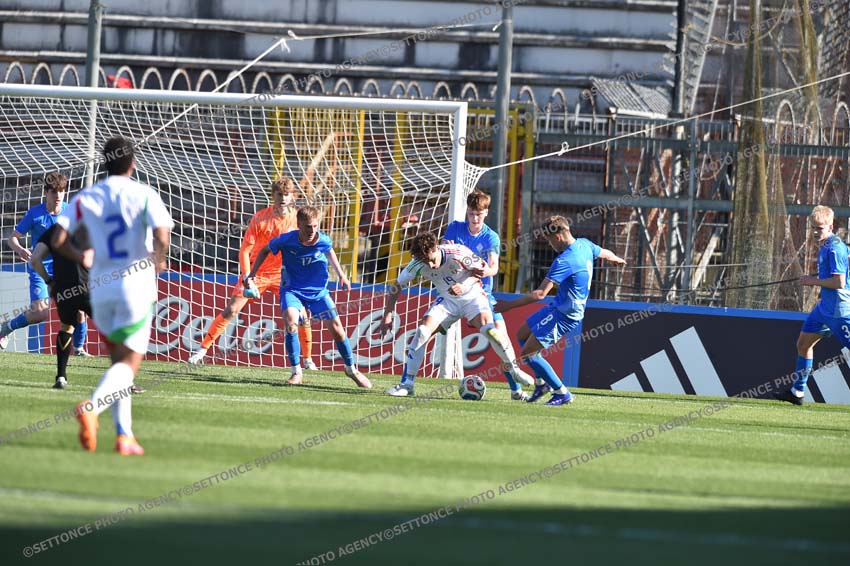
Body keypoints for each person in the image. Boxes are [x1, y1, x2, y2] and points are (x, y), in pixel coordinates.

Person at [53, 136, 174, 455]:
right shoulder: (145, 194)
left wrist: (81, 256)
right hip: (136, 286)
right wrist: (159, 259)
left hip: (101, 289)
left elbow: (58, 239)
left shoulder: (87, 196)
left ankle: (124, 435)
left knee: (119, 363)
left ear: (105, 163)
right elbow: (162, 235)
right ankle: (92, 408)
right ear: (132, 164)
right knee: (128, 365)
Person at [378, 231, 535, 397]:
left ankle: (514, 369)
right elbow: (397, 286)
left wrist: (464, 285)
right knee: (422, 331)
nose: (430, 265)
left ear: (436, 248)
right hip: (448, 301)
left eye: (431, 260)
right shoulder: (416, 264)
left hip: (473, 297)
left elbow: (483, 270)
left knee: (490, 331)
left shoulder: (458, 252)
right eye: (425, 261)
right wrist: (388, 314)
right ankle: (407, 385)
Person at [496, 216, 626, 406]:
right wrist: (615, 258)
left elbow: (540, 294)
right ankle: (541, 383)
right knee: (522, 333)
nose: (549, 244)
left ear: (557, 237)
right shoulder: (584, 244)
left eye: (549, 240)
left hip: (565, 315)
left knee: (528, 354)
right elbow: (604, 253)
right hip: (558, 307)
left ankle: (562, 392)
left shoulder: (564, 260)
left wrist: (507, 306)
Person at [188, 178, 316, 368]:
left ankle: (308, 360)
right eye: (279, 194)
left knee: (302, 316)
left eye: (286, 194)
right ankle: (202, 350)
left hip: (283, 275)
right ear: (273, 196)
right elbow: (245, 250)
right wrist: (248, 276)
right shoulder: (260, 218)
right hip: (258, 273)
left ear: (292, 197)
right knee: (232, 310)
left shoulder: (297, 220)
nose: (283, 198)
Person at [245, 206, 371, 388]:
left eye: (315, 226)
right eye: (307, 227)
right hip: (292, 290)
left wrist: (342, 275)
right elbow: (265, 250)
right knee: (291, 321)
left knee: (338, 330)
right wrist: (252, 273)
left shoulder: (323, 240)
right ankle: (296, 371)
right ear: (299, 225)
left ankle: (351, 369)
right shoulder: (286, 240)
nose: (312, 231)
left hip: (318, 292)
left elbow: (329, 251)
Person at [442, 189, 533, 400]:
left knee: (501, 339)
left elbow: (493, 267)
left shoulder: (491, 237)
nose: (474, 219)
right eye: (471, 214)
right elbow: (445, 256)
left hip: (482, 296)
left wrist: (482, 271)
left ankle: (515, 390)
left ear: (486, 213)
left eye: (479, 214)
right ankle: (407, 382)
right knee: (426, 329)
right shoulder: (455, 228)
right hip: (454, 293)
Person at [0, 173, 89, 355]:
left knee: (79, 309)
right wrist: (20, 250)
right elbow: (12, 238)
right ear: (46, 192)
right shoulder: (35, 213)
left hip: (65, 269)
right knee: (40, 313)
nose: (58, 196)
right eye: (54, 192)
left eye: (61, 191)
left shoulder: (71, 211)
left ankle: (79, 349)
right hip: (39, 268)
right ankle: (7, 327)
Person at [775, 205, 850, 405]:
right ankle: (797, 392)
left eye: (820, 228)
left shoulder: (834, 248)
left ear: (831, 226)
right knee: (803, 344)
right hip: (824, 309)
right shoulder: (827, 244)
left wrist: (812, 281)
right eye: (814, 228)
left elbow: (839, 282)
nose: (816, 232)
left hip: (839, 311)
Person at [30, 223, 92, 389]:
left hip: (63, 290)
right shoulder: (93, 225)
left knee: (66, 327)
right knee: (111, 329)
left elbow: (35, 259)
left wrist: (49, 282)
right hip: (91, 287)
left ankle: (61, 377)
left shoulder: (56, 230)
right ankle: (126, 381)